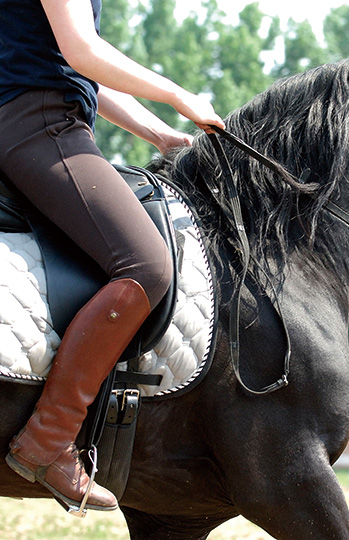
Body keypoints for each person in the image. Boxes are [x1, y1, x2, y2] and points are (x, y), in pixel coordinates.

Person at [0, 0, 225, 514]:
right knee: (146, 266)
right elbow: (84, 52)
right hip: (41, 124)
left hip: (42, 120)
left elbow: (74, 67)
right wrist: (180, 96)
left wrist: (159, 133)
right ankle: (49, 439)